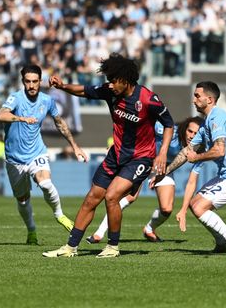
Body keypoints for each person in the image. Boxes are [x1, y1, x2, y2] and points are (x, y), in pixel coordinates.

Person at [43, 53, 174, 258]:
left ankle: (113, 246)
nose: (110, 85)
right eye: (108, 80)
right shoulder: (109, 91)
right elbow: (84, 91)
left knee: (112, 196)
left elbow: (169, 124)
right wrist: (62, 86)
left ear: (126, 79)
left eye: (113, 80)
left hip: (141, 158)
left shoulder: (148, 99)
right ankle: (70, 247)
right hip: (116, 155)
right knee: (91, 199)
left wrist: (162, 152)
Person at [152, 81, 226, 257]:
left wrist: (196, 157)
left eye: (198, 96)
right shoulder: (206, 124)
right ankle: (221, 243)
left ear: (210, 99)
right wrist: (165, 173)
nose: (194, 100)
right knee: (194, 204)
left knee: (199, 207)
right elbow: (186, 152)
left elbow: (220, 150)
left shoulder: (217, 117)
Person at [0, 64, 88, 245]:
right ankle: (31, 231)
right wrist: (20, 118)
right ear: (23, 82)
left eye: (35, 81)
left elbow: (60, 123)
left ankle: (60, 215)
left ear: (41, 82)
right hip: (14, 159)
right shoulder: (15, 98)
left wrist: (75, 146)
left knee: (45, 183)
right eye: (28, 81)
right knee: (23, 200)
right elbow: (1, 115)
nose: (31, 85)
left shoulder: (47, 101)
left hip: (36, 152)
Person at [84, 116, 204, 244]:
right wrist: (118, 145)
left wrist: (162, 173)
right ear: (184, 129)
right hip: (141, 160)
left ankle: (149, 229)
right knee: (129, 197)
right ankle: (99, 233)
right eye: (190, 131)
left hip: (163, 169)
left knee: (167, 209)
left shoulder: (198, 145)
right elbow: (141, 128)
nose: (192, 135)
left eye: (196, 133)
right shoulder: (169, 131)